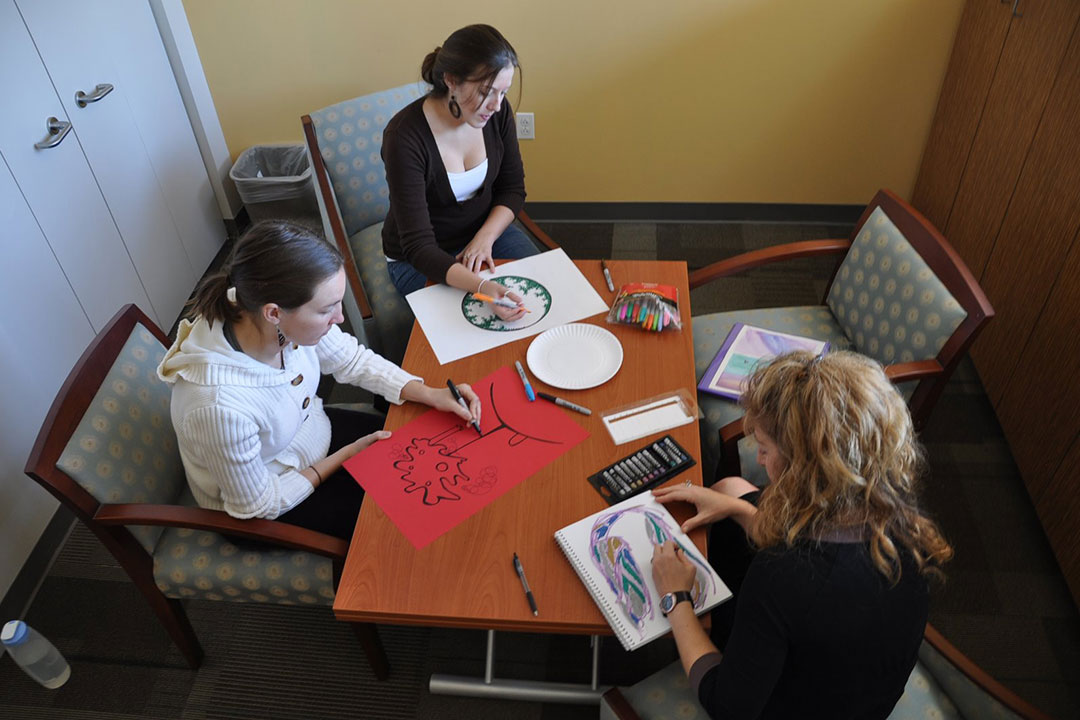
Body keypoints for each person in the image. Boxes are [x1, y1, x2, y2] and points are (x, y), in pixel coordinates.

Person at [651, 351, 953, 719]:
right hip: (853, 679)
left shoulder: (780, 575)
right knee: (733, 489)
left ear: (801, 471)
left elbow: (729, 707)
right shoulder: (904, 521)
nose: (759, 461)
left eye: (764, 450)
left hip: (786, 704)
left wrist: (676, 597)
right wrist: (734, 507)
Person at [157, 221, 483, 540]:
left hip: (308, 435)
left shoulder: (260, 311)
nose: (339, 318)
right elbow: (258, 505)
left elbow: (352, 359)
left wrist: (430, 393)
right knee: (395, 525)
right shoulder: (218, 406)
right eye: (327, 309)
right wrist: (345, 457)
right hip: (268, 501)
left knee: (420, 450)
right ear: (274, 313)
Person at [382, 24, 536, 320]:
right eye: (486, 92)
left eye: (503, 92)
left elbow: (513, 189)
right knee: (474, 323)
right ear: (451, 80)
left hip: (485, 234)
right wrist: (482, 287)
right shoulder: (404, 137)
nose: (497, 105)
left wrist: (485, 237)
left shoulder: (497, 113)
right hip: (418, 258)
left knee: (539, 294)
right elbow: (417, 246)